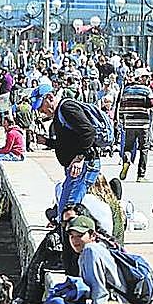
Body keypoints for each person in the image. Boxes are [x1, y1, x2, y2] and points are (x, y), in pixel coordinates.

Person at [34, 85, 105, 220]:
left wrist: (79, 158)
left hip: (84, 165)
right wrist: (46, 142)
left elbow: (88, 132)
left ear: (49, 97)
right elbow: (66, 143)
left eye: (41, 106)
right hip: (75, 168)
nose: (41, 111)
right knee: (64, 211)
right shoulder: (60, 113)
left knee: (70, 212)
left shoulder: (67, 108)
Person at [65, 214, 127, 304]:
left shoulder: (90, 251)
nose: (75, 240)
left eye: (80, 236)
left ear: (93, 235)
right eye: (72, 236)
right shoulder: (95, 248)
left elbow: (98, 290)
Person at [117, 67, 153, 182]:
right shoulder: (146, 90)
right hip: (143, 124)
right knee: (144, 148)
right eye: (145, 77)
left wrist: (122, 121)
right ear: (140, 78)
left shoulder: (126, 90)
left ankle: (127, 160)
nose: (147, 79)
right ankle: (140, 175)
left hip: (129, 124)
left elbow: (121, 108)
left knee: (128, 147)